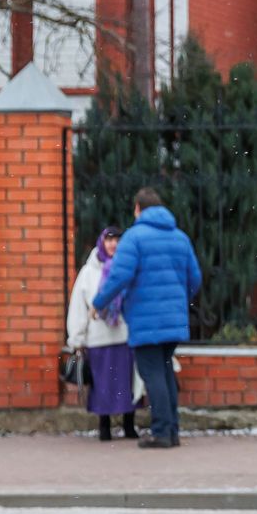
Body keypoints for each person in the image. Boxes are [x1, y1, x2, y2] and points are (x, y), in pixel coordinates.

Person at [88, 187, 202, 449]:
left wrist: (98, 303)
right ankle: (172, 430)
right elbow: (194, 278)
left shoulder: (134, 238)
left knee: (153, 375)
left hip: (145, 320)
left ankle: (162, 432)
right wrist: (177, 300)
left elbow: (119, 277)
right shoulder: (180, 238)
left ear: (138, 208)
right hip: (173, 320)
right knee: (164, 371)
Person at [65, 227, 139, 442]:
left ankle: (129, 425)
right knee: (103, 386)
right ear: (101, 242)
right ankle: (104, 426)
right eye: (109, 239)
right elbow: (79, 306)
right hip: (99, 339)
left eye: (117, 239)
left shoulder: (128, 267)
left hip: (125, 336)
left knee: (127, 384)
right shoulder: (88, 273)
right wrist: (77, 337)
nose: (113, 244)